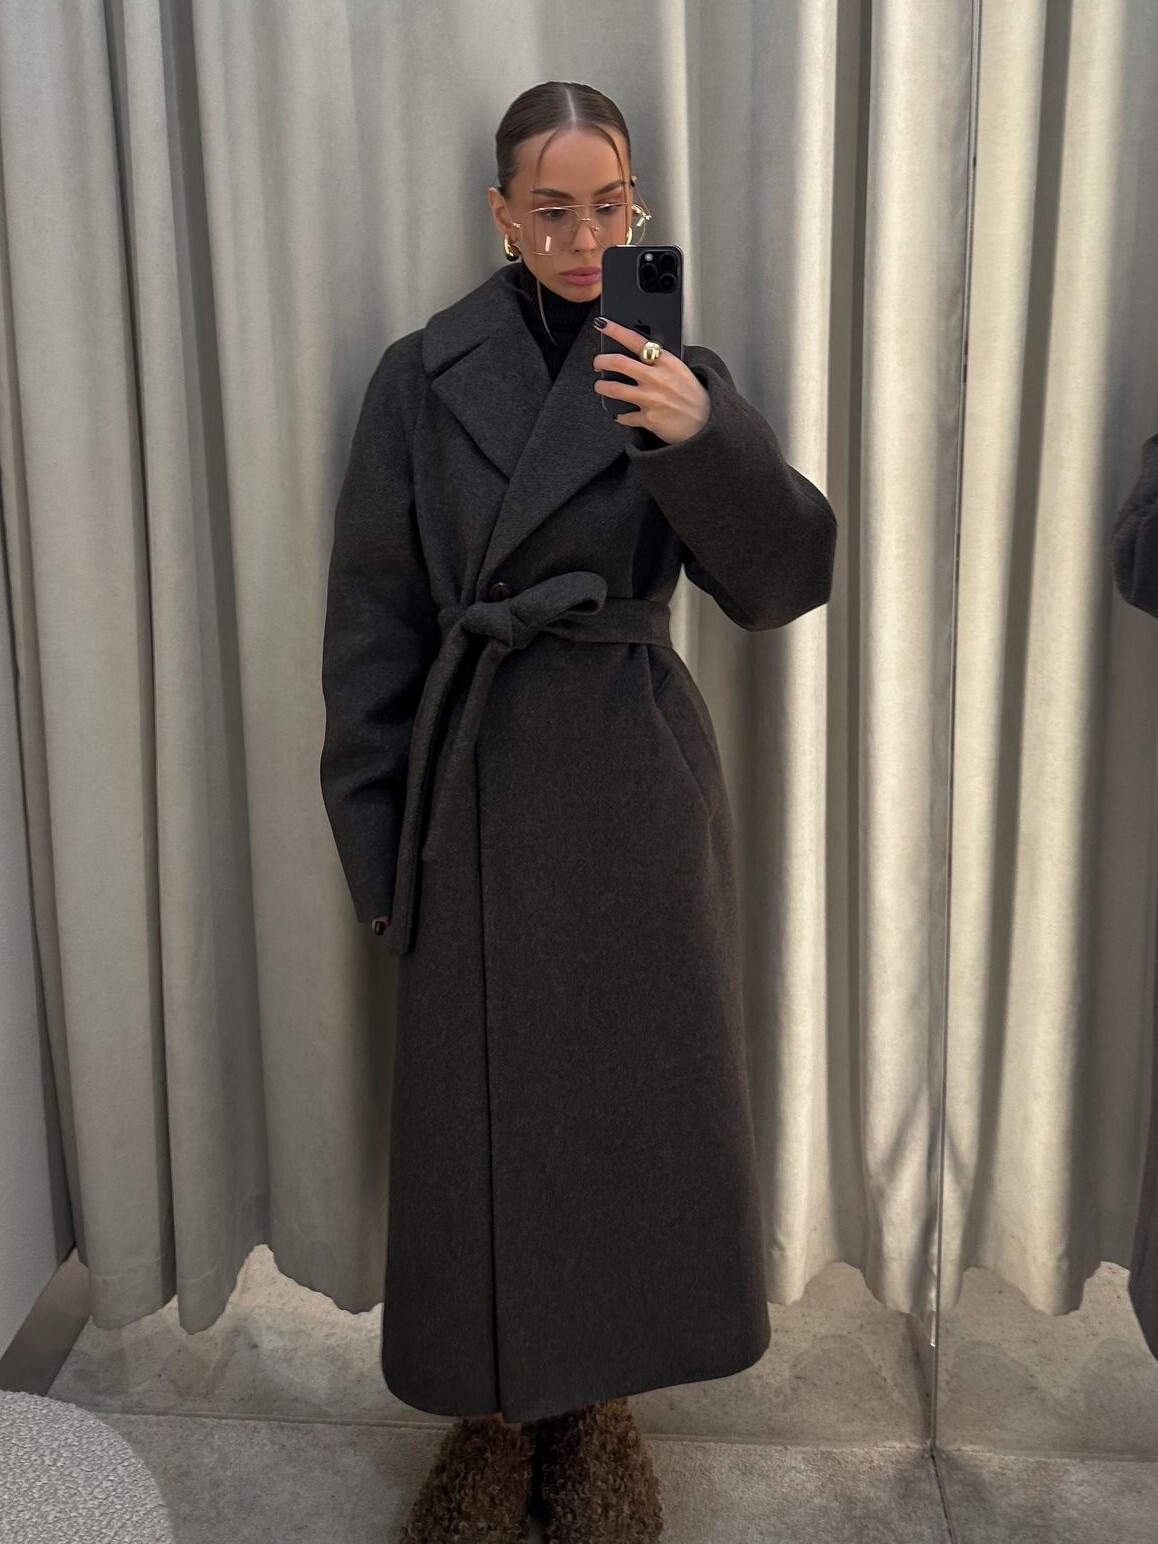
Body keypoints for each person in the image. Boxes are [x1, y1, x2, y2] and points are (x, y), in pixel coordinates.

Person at [319, 81, 838, 1544]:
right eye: (548, 210)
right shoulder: (419, 379)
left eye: (606, 208)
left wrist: (701, 438)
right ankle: (492, 1421)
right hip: (469, 796)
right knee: (482, 1135)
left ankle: (599, 1409)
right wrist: (376, 847)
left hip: (631, 791)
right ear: (501, 213)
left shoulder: (672, 371)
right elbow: (369, 631)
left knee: (631, 1115)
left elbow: (786, 581)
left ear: (636, 208)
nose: (580, 238)